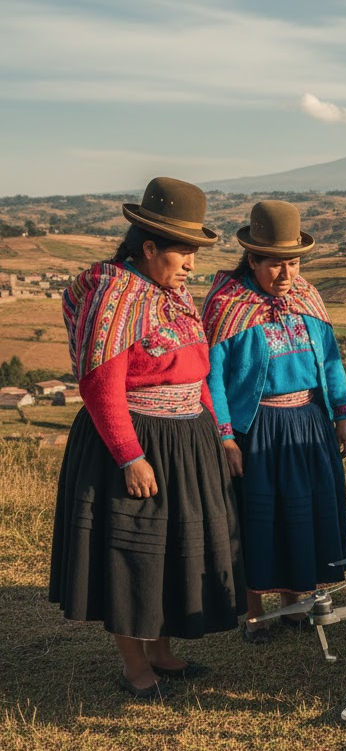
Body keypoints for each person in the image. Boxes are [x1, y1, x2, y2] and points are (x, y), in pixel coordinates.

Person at [49, 177, 245, 699]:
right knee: (132, 553)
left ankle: (160, 650)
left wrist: (218, 436)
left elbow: (199, 370)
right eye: (183, 253)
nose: (191, 265)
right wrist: (130, 456)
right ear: (150, 246)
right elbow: (101, 385)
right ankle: (135, 664)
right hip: (137, 440)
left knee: (172, 549)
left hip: (187, 441)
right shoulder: (114, 297)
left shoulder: (173, 295)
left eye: (195, 255)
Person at [202, 200, 346, 644]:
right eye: (275, 264)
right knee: (259, 520)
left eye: (293, 263)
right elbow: (214, 380)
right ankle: (254, 615)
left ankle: (295, 605)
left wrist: (341, 417)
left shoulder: (307, 298)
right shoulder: (227, 306)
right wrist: (227, 438)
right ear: (252, 260)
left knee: (300, 516)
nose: (286, 274)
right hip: (260, 429)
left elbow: (330, 362)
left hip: (309, 424)